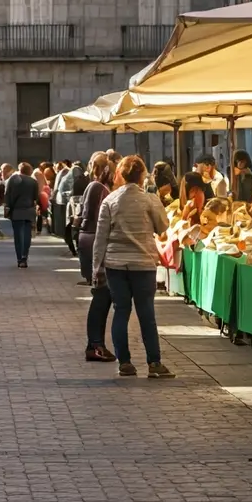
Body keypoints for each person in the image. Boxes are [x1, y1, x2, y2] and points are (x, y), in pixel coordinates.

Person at [92, 155, 174, 378]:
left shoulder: (110, 200)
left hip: (115, 264)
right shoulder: (150, 200)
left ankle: (125, 362)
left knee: (121, 311)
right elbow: (163, 227)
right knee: (146, 313)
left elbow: (101, 238)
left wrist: (96, 269)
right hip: (143, 264)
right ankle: (155, 363)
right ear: (142, 175)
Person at [79, 152, 116, 361]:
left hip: (91, 239)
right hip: (94, 240)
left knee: (102, 295)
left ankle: (95, 343)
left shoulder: (94, 186)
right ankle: (95, 344)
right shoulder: (99, 188)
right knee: (101, 295)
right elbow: (102, 219)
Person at [4, 162, 39, 269]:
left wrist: (8, 207)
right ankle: (25, 257)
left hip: (17, 210)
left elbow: (8, 194)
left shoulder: (13, 180)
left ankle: (19, 258)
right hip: (29, 211)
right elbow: (35, 197)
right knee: (27, 235)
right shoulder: (33, 181)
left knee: (18, 236)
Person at [55, 160, 81, 256]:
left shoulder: (72, 175)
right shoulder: (78, 177)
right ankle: (74, 248)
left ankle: (74, 248)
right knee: (71, 227)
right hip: (72, 203)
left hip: (71, 204)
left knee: (70, 227)